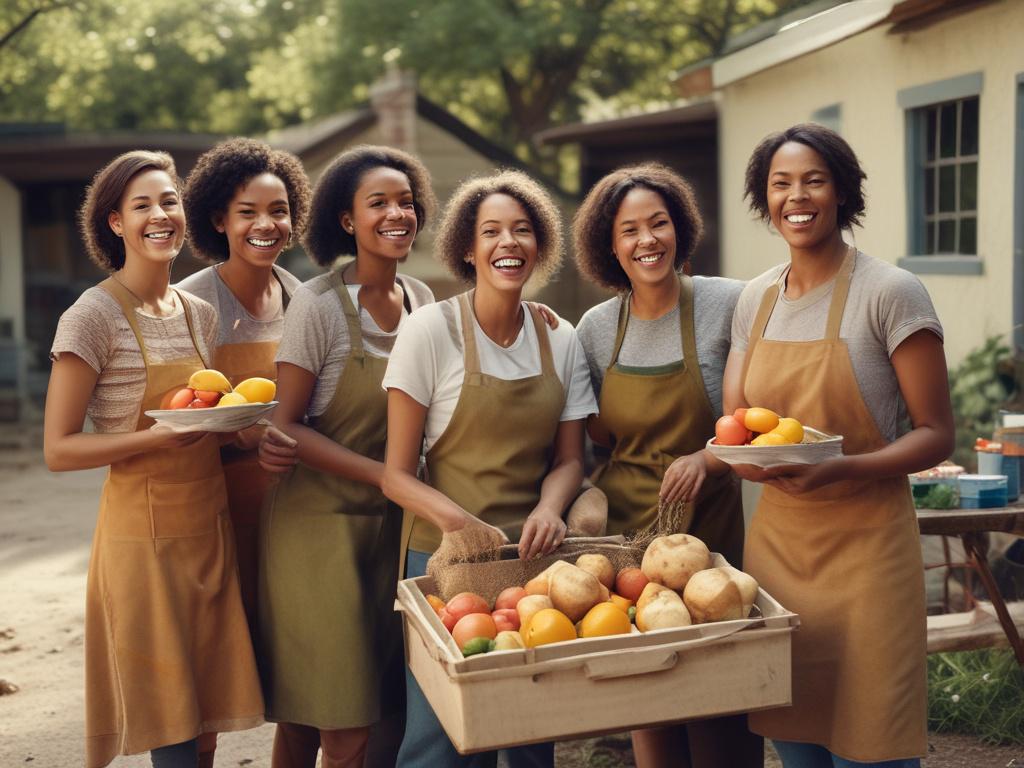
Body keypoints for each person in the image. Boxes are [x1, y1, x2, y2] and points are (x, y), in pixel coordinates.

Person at [722, 123, 954, 768]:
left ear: (844, 192)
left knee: (874, 740)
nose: (797, 197)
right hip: (780, 549)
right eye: (780, 184)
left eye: (814, 181)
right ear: (764, 200)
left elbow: (937, 433)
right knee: (795, 735)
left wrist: (840, 468)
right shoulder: (756, 298)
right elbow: (737, 418)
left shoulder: (891, 292)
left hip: (869, 550)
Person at [44, 151, 263, 768]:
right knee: (170, 719)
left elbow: (205, 418)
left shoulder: (199, 313)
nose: (160, 215)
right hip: (141, 541)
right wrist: (153, 439)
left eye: (169, 201)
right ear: (115, 223)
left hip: (207, 530)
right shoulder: (92, 316)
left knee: (207, 722)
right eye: (142, 205)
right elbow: (59, 449)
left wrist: (246, 433)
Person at [382, 170, 598, 768]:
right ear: (468, 249)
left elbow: (569, 459)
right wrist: (458, 522)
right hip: (444, 562)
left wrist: (551, 508)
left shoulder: (563, 338)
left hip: (534, 564)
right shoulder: (430, 331)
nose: (509, 242)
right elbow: (394, 474)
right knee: (444, 740)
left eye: (522, 230)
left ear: (540, 245)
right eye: (492, 231)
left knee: (531, 737)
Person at [573, 163, 762, 768]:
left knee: (721, 704)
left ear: (680, 229)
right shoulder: (596, 328)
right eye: (629, 230)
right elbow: (592, 439)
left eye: (659, 223)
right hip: (629, 542)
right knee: (648, 699)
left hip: (709, 533)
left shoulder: (728, 302)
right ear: (610, 244)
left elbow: (757, 418)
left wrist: (709, 456)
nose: (646, 240)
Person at [253, 145, 437, 768]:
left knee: (352, 714)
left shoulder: (422, 301)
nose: (397, 214)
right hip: (316, 531)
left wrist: (532, 319)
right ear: (346, 221)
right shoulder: (318, 305)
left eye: (406, 202)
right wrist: (387, 476)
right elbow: (285, 427)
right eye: (378, 203)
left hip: (392, 529)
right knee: (339, 720)